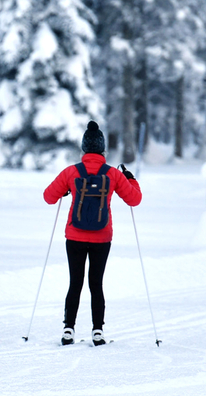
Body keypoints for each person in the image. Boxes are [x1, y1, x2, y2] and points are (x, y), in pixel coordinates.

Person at [43, 120, 142, 346]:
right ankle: (98, 331)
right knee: (96, 284)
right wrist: (131, 179)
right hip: (102, 237)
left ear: (84, 149)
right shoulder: (113, 175)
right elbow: (135, 200)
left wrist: (67, 191)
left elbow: (48, 197)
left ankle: (68, 329)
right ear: (103, 149)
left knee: (75, 282)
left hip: (74, 236)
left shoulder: (71, 172)